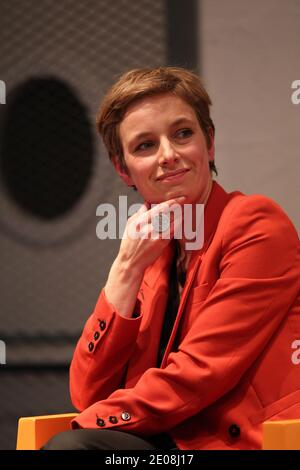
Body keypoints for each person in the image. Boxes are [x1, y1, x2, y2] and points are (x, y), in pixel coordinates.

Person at [43, 67, 300, 450]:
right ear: (122, 167)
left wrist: (84, 425)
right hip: (172, 443)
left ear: (208, 143)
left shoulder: (255, 224)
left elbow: (200, 373)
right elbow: (87, 391)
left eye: (182, 134)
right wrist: (125, 270)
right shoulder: (152, 254)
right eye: (145, 145)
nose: (169, 155)